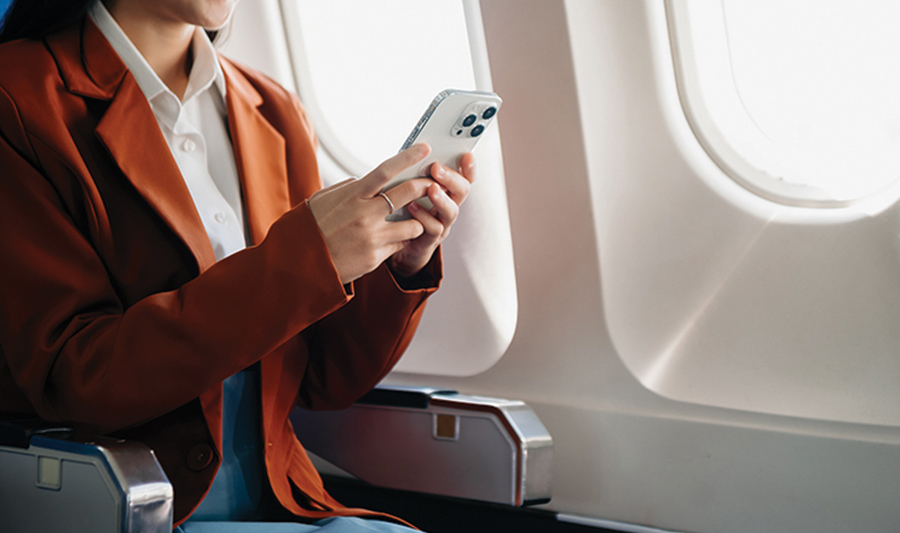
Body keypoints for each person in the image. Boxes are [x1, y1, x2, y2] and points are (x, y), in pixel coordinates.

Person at [0, 0, 476, 531]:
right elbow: (75, 376)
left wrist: (400, 267)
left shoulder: (274, 110)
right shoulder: (16, 96)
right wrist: (306, 260)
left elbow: (323, 382)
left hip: (284, 500)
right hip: (134, 507)